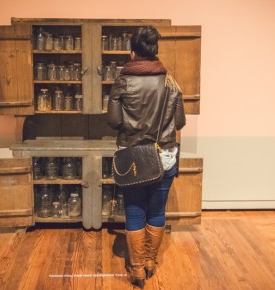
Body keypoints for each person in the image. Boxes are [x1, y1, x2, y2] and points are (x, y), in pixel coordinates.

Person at [107, 26, 186, 289]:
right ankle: (151, 262)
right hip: (164, 155)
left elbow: (114, 121)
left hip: (134, 158)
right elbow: (180, 122)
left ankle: (137, 269)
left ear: (132, 51)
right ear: (155, 50)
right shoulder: (170, 80)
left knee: (134, 210)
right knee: (157, 209)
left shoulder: (122, 80)